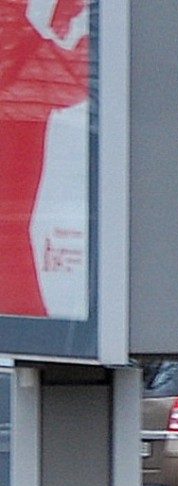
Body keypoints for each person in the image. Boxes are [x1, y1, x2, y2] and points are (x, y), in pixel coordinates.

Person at [0, 0, 89, 318]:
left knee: (8, 228)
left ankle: (24, 320)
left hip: (22, 95)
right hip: (25, 91)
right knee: (9, 229)